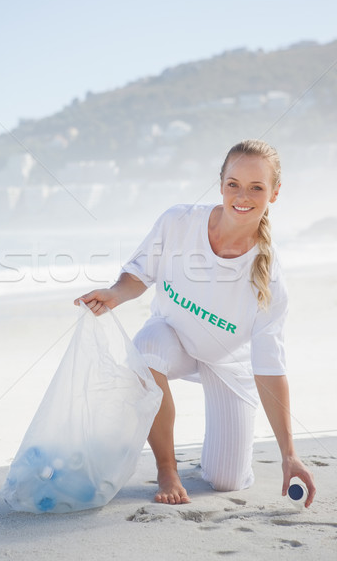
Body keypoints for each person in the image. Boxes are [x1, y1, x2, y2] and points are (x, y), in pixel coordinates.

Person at [74, 139, 316, 507]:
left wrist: (289, 453)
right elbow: (140, 273)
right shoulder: (179, 222)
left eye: (256, 187)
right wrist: (115, 293)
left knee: (226, 481)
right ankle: (167, 467)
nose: (242, 196)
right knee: (147, 350)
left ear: (275, 193)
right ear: (220, 184)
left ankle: (216, 455)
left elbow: (270, 367)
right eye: (233, 183)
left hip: (226, 362)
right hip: (174, 339)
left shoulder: (270, 277)